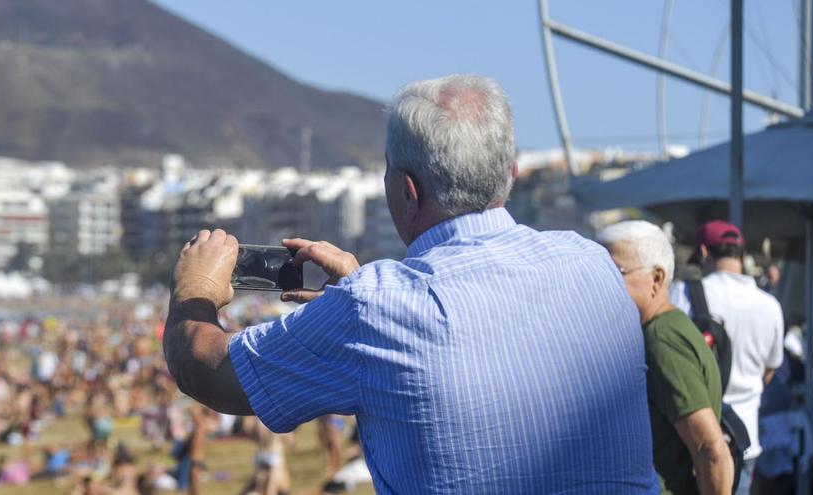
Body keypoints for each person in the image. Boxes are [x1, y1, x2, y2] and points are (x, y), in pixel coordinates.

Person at [164, 74, 658, 493]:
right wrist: (362, 296)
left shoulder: (377, 308)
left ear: (406, 189)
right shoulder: (592, 264)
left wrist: (196, 291)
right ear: (508, 173)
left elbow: (207, 371)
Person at [599, 220, 733, 494]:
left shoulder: (662, 338)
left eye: (614, 273)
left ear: (657, 278)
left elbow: (711, 449)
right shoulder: (664, 329)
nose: (600, 286)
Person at [671, 220, 784, 495]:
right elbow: (770, 370)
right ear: (742, 255)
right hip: (745, 437)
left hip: (693, 437)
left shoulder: (684, 295)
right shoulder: (770, 305)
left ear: (704, 253)